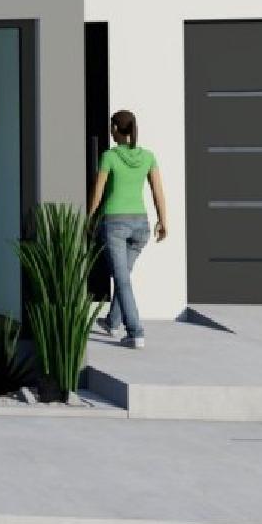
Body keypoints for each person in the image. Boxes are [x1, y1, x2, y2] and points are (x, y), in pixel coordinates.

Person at [87, 110, 168, 349]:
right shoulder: (148, 157)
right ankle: (112, 323)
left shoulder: (109, 157)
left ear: (115, 129)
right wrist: (163, 220)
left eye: (111, 127)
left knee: (121, 279)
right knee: (123, 277)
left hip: (115, 224)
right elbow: (157, 191)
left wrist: (89, 217)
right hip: (141, 226)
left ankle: (135, 332)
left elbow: (98, 191)